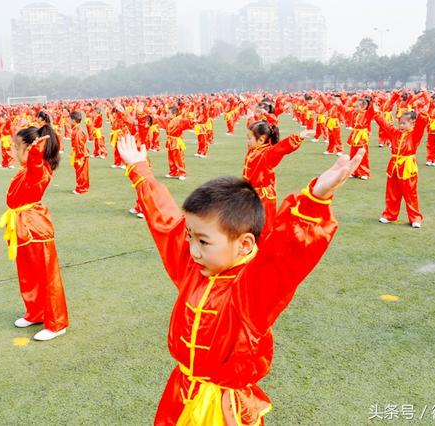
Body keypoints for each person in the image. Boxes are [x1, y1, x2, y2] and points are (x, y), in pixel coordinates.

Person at [117, 133, 365, 425]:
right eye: (190, 237)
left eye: (204, 241)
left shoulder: (251, 289)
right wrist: (140, 169)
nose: (192, 250)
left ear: (245, 245)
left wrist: (314, 200)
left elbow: (284, 258)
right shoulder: (192, 266)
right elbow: (167, 221)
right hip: (180, 394)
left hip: (224, 410)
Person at [0, 125, 69, 341]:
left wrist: (36, 153)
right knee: (28, 274)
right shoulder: (25, 170)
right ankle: (35, 312)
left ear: (29, 149)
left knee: (46, 276)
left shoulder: (39, 168)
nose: (11, 150)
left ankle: (57, 323)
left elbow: (36, 166)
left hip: (35, 227)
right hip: (22, 226)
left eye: (15, 147)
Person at [243, 121, 313, 240]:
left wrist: (298, 137)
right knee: (250, 223)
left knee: (264, 225)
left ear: (261, 140)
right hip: (251, 193)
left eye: (249, 138)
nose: (247, 141)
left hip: (263, 197)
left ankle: (263, 249)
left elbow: (280, 149)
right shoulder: (254, 150)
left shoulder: (267, 154)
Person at [373, 102, 429, 228]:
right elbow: (385, 125)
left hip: (407, 167)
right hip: (393, 166)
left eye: (404, 123)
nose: (401, 126)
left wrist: (424, 114)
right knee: (392, 192)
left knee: (410, 194)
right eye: (400, 123)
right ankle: (389, 215)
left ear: (412, 123)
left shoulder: (414, 135)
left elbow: (421, 126)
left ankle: (415, 218)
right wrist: (377, 113)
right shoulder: (394, 133)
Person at [70, 111, 90, 194]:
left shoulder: (77, 131)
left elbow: (79, 144)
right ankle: (82, 186)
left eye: (70, 119)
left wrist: (79, 156)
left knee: (81, 172)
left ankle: (82, 188)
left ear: (74, 121)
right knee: (81, 171)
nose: (69, 121)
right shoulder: (77, 129)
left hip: (81, 154)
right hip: (81, 153)